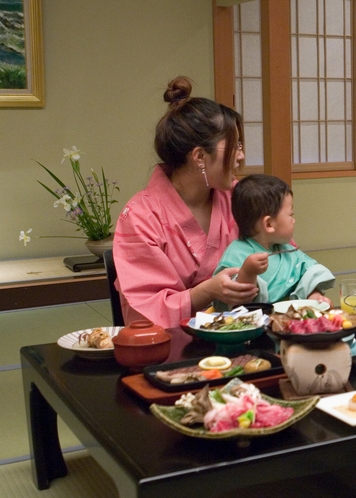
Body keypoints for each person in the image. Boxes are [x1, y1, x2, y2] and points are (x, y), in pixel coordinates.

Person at [113, 76, 258, 335]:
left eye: (240, 145)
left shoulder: (241, 197)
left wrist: (309, 286)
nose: (241, 156)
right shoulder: (141, 216)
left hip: (247, 334)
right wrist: (206, 292)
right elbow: (142, 310)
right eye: (234, 147)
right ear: (200, 157)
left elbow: (282, 252)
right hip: (176, 348)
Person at [213, 174, 334, 308]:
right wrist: (247, 273)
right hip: (253, 324)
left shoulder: (286, 249)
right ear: (269, 224)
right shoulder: (237, 253)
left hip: (289, 322)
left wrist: (313, 296)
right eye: (290, 215)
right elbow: (231, 299)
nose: (294, 220)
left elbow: (309, 272)